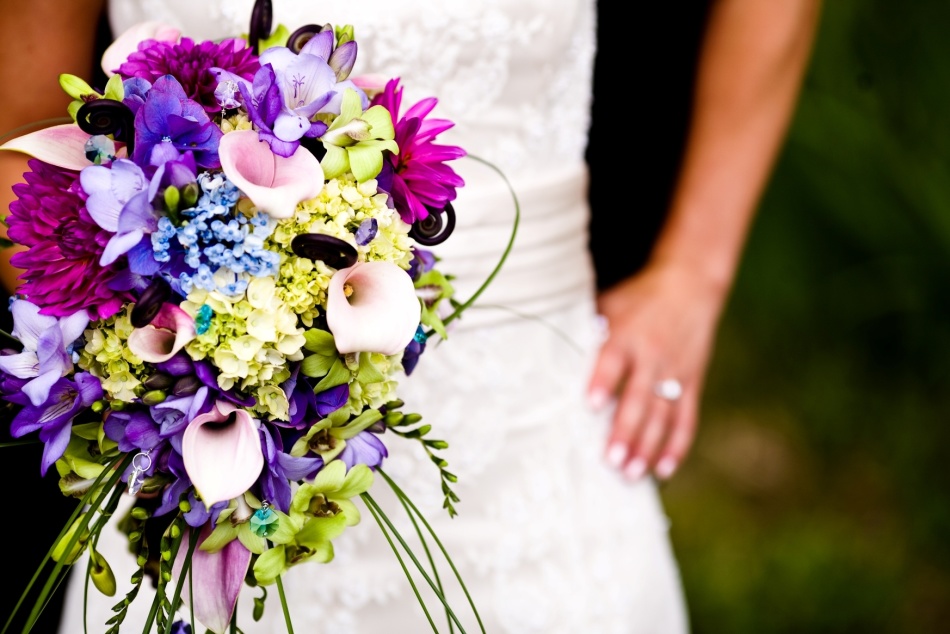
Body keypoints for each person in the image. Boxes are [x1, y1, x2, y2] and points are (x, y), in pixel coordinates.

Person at [0, 0, 821, 631]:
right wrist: (141, 349)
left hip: (535, 442)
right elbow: (22, 130)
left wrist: (696, 274)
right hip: (195, 467)